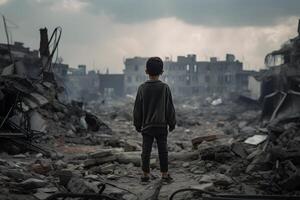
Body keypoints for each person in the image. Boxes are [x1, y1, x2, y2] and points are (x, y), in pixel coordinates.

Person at [133, 57, 176, 184]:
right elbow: (169, 108)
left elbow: (137, 109)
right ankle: (165, 174)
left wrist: (137, 124)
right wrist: (172, 123)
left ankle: (145, 174)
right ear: (162, 72)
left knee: (146, 151)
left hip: (147, 127)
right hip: (161, 126)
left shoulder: (142, 88)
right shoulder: (165, 88)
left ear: (146, 71)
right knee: (163, 151)